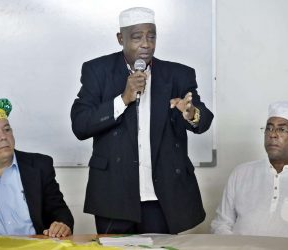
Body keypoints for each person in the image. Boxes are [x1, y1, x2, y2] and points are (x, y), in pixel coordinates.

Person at [70, 7, 213, 234]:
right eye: (137, 37)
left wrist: (191, 113)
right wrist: (123, 99)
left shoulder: (178, 74)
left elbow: (203, 120)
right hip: (114, 195)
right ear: (121, 39)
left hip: (161, 195)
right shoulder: (97, 71)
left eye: (152, 36)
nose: (146, 44)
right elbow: (80, 124)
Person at [0, 98, 74, 237]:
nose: (3, 136)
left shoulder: (39, 165)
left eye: (7, 129)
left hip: (33, 245)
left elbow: (60, 211)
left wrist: (62, 224)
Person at [211, 101, 288, 238]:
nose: (273, 135)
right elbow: (221, 224)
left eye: (282, 130)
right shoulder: (241, 173)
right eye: (269, 129)